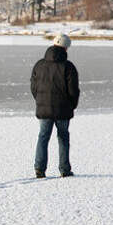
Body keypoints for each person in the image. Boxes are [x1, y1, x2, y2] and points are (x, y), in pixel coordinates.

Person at [30, 33, 80, 178]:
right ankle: (64, 170)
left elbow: (34, 87)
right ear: (65, 48)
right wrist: (72, 105)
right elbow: (73, 90)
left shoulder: (39, 65)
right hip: (63, 109)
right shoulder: (68, 67)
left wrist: (40, 101)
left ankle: (39, 169)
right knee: (63, 137)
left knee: (43, 137)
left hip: (44, 108)